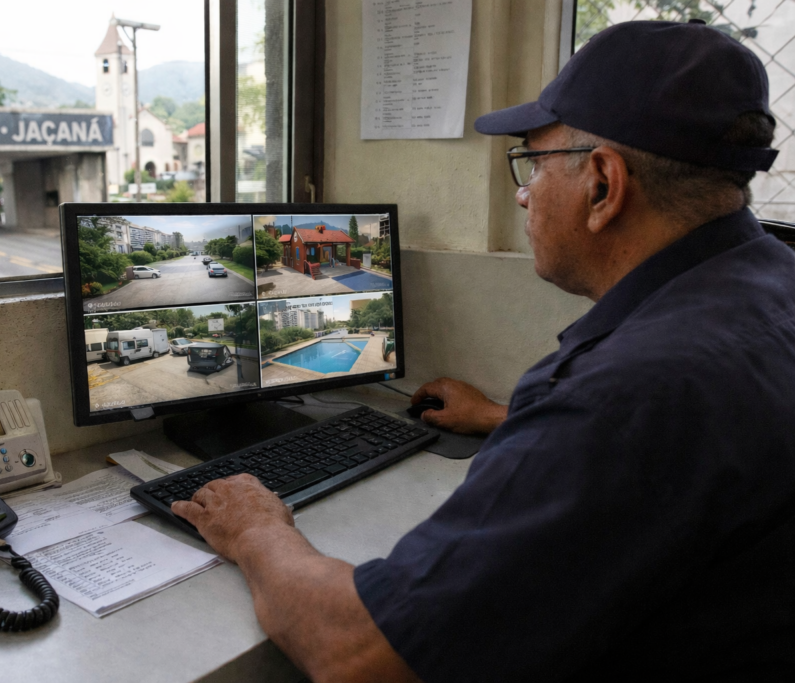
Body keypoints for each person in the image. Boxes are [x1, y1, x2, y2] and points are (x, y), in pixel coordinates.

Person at [172, 20, 795, 682]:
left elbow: (360, 653)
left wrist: (254, 529)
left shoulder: (622, 397)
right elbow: (700, 444)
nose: (523, 193)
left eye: (531, 163)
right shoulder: (769, 288)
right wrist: (508, 416)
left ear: (604, 185)